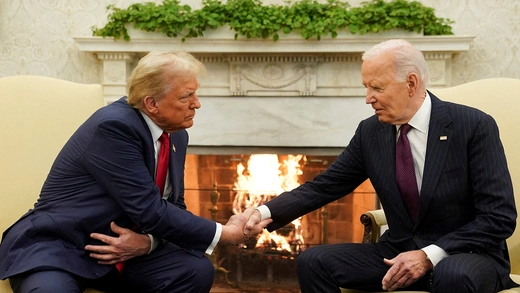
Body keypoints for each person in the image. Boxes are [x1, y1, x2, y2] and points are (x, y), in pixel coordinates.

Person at [244, 39, 518, 293]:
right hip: (397, 252)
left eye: (377, 87)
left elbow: (498, 218)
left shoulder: (472, 126)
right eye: (366, 87)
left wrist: (428, 255)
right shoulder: (371, 132)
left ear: (411, 83)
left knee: (453, 275)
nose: (368, 98)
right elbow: (325, 186)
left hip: (464, 255)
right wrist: (263, 212)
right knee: (313, 261)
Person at [0, 51, 269, 293]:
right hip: (62, 248)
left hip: (122, 255)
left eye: (195, 94)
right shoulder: (114, 127)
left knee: (194, 270)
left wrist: (148, 243)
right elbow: (149, 209)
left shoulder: (175, 135)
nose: (196, 104)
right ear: (151, 103)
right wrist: (224, 233)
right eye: (186, 96)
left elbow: (174, 206)